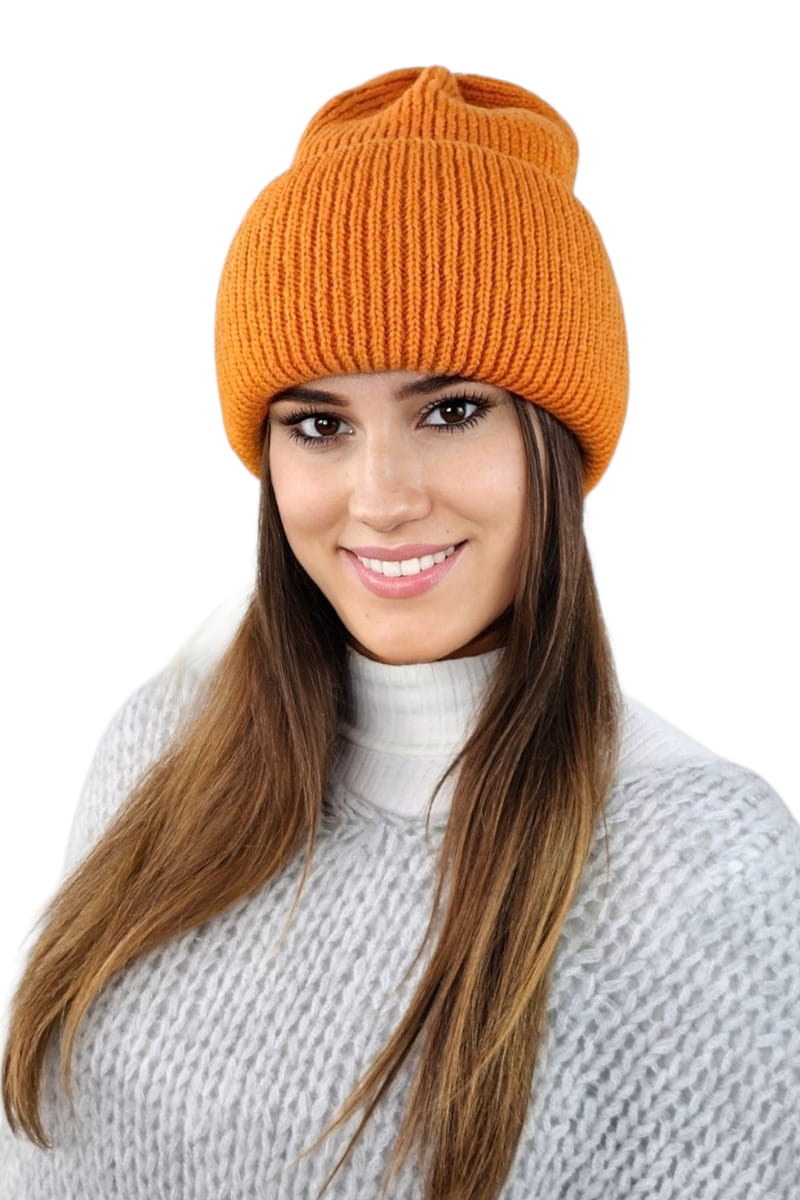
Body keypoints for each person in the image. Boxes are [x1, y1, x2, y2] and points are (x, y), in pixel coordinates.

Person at [1, 64, 798, 1200]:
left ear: (556, 442)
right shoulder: (161, 748)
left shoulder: (702, 868)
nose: (380, 498)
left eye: (451, 411)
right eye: (317, 425)